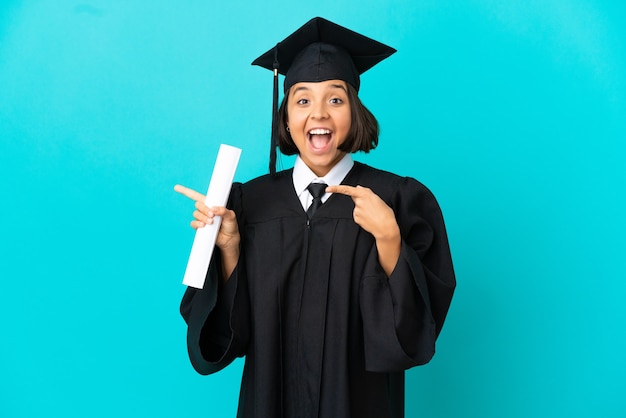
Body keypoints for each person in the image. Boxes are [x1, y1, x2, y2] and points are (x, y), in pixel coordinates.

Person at [175, 17, 456, 418]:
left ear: (355, 112)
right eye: (303, 100)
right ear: (286, 116)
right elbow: (226, 338)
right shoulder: (247, 203)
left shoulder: (398, 199)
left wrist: (390, 240)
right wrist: (230, 251)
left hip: (361, 404)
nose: (319, 113)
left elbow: (413, 335)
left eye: (336, 99)